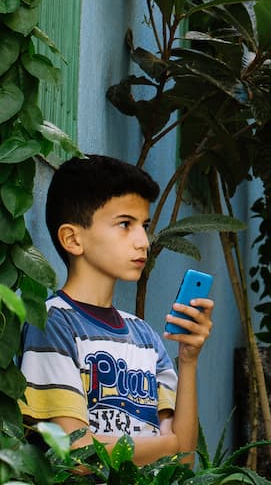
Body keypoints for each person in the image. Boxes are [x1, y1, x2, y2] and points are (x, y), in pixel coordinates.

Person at [19, 153, 213, 464]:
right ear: (72, 238)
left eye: (144, 225)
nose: (143, 241)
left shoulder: (146, 337)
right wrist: (167, 445)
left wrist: (188, 360)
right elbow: (77, 453)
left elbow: (184, 460)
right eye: (125, 224)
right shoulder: (54, 324)